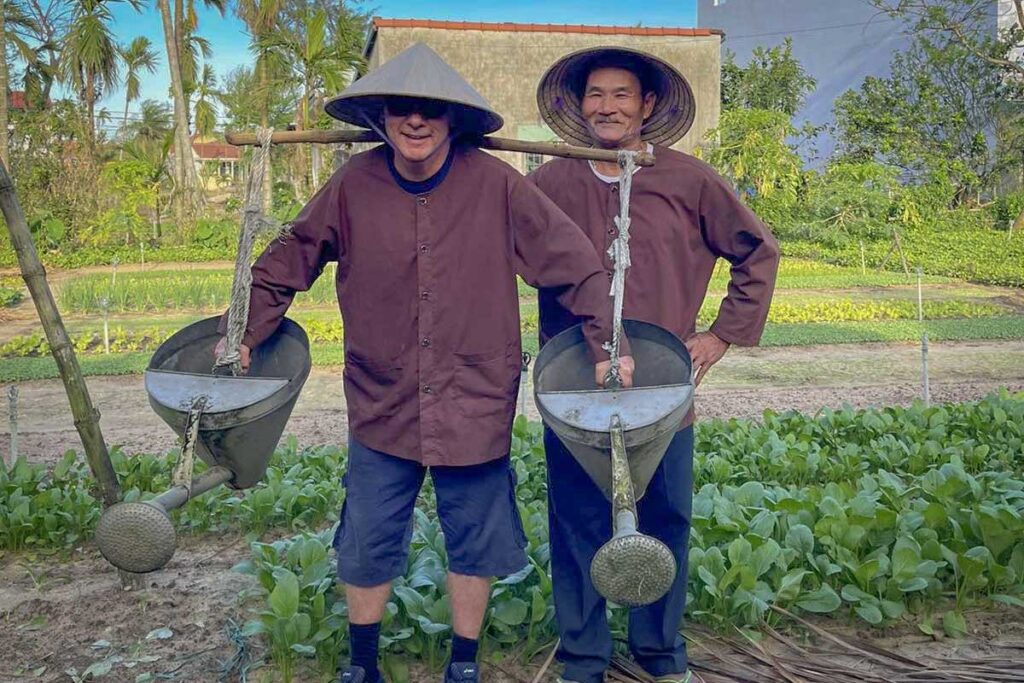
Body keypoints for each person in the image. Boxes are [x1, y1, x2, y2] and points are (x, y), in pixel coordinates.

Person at [217, 42, 632, 683]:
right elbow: (284, 263)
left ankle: (462, 664)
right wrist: (243, 332)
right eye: (402, 109)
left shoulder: (497, 184)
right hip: (383, 399)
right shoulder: (352, 185)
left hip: (475, 394)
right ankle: (362, 666)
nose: (416, 121)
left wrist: (609, 344)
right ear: (380, 116)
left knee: (477, 535)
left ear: (453, 121)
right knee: (367, 535)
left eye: (431, 111)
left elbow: (574, 263)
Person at [528, 46, 780, 683]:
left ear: (647, 106)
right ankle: (584, 658)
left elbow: (758, 252)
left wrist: (722, 335)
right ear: (577, 105)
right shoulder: (551, 182)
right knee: (578, 521)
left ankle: (661, 656)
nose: (607, 107)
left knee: (666, 518)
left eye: (621, 95)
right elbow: (491, 245)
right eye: (595, 95)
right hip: (575, 387)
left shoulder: (690, 180)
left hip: (665, 390)